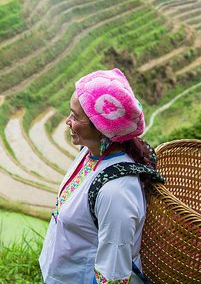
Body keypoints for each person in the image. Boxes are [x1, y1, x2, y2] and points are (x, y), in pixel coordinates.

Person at [39, 68, 161, 284]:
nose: (67, 121)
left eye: (75, 117)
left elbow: (113, 274)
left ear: (102, 128)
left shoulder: (116, 193)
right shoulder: (90, 152)